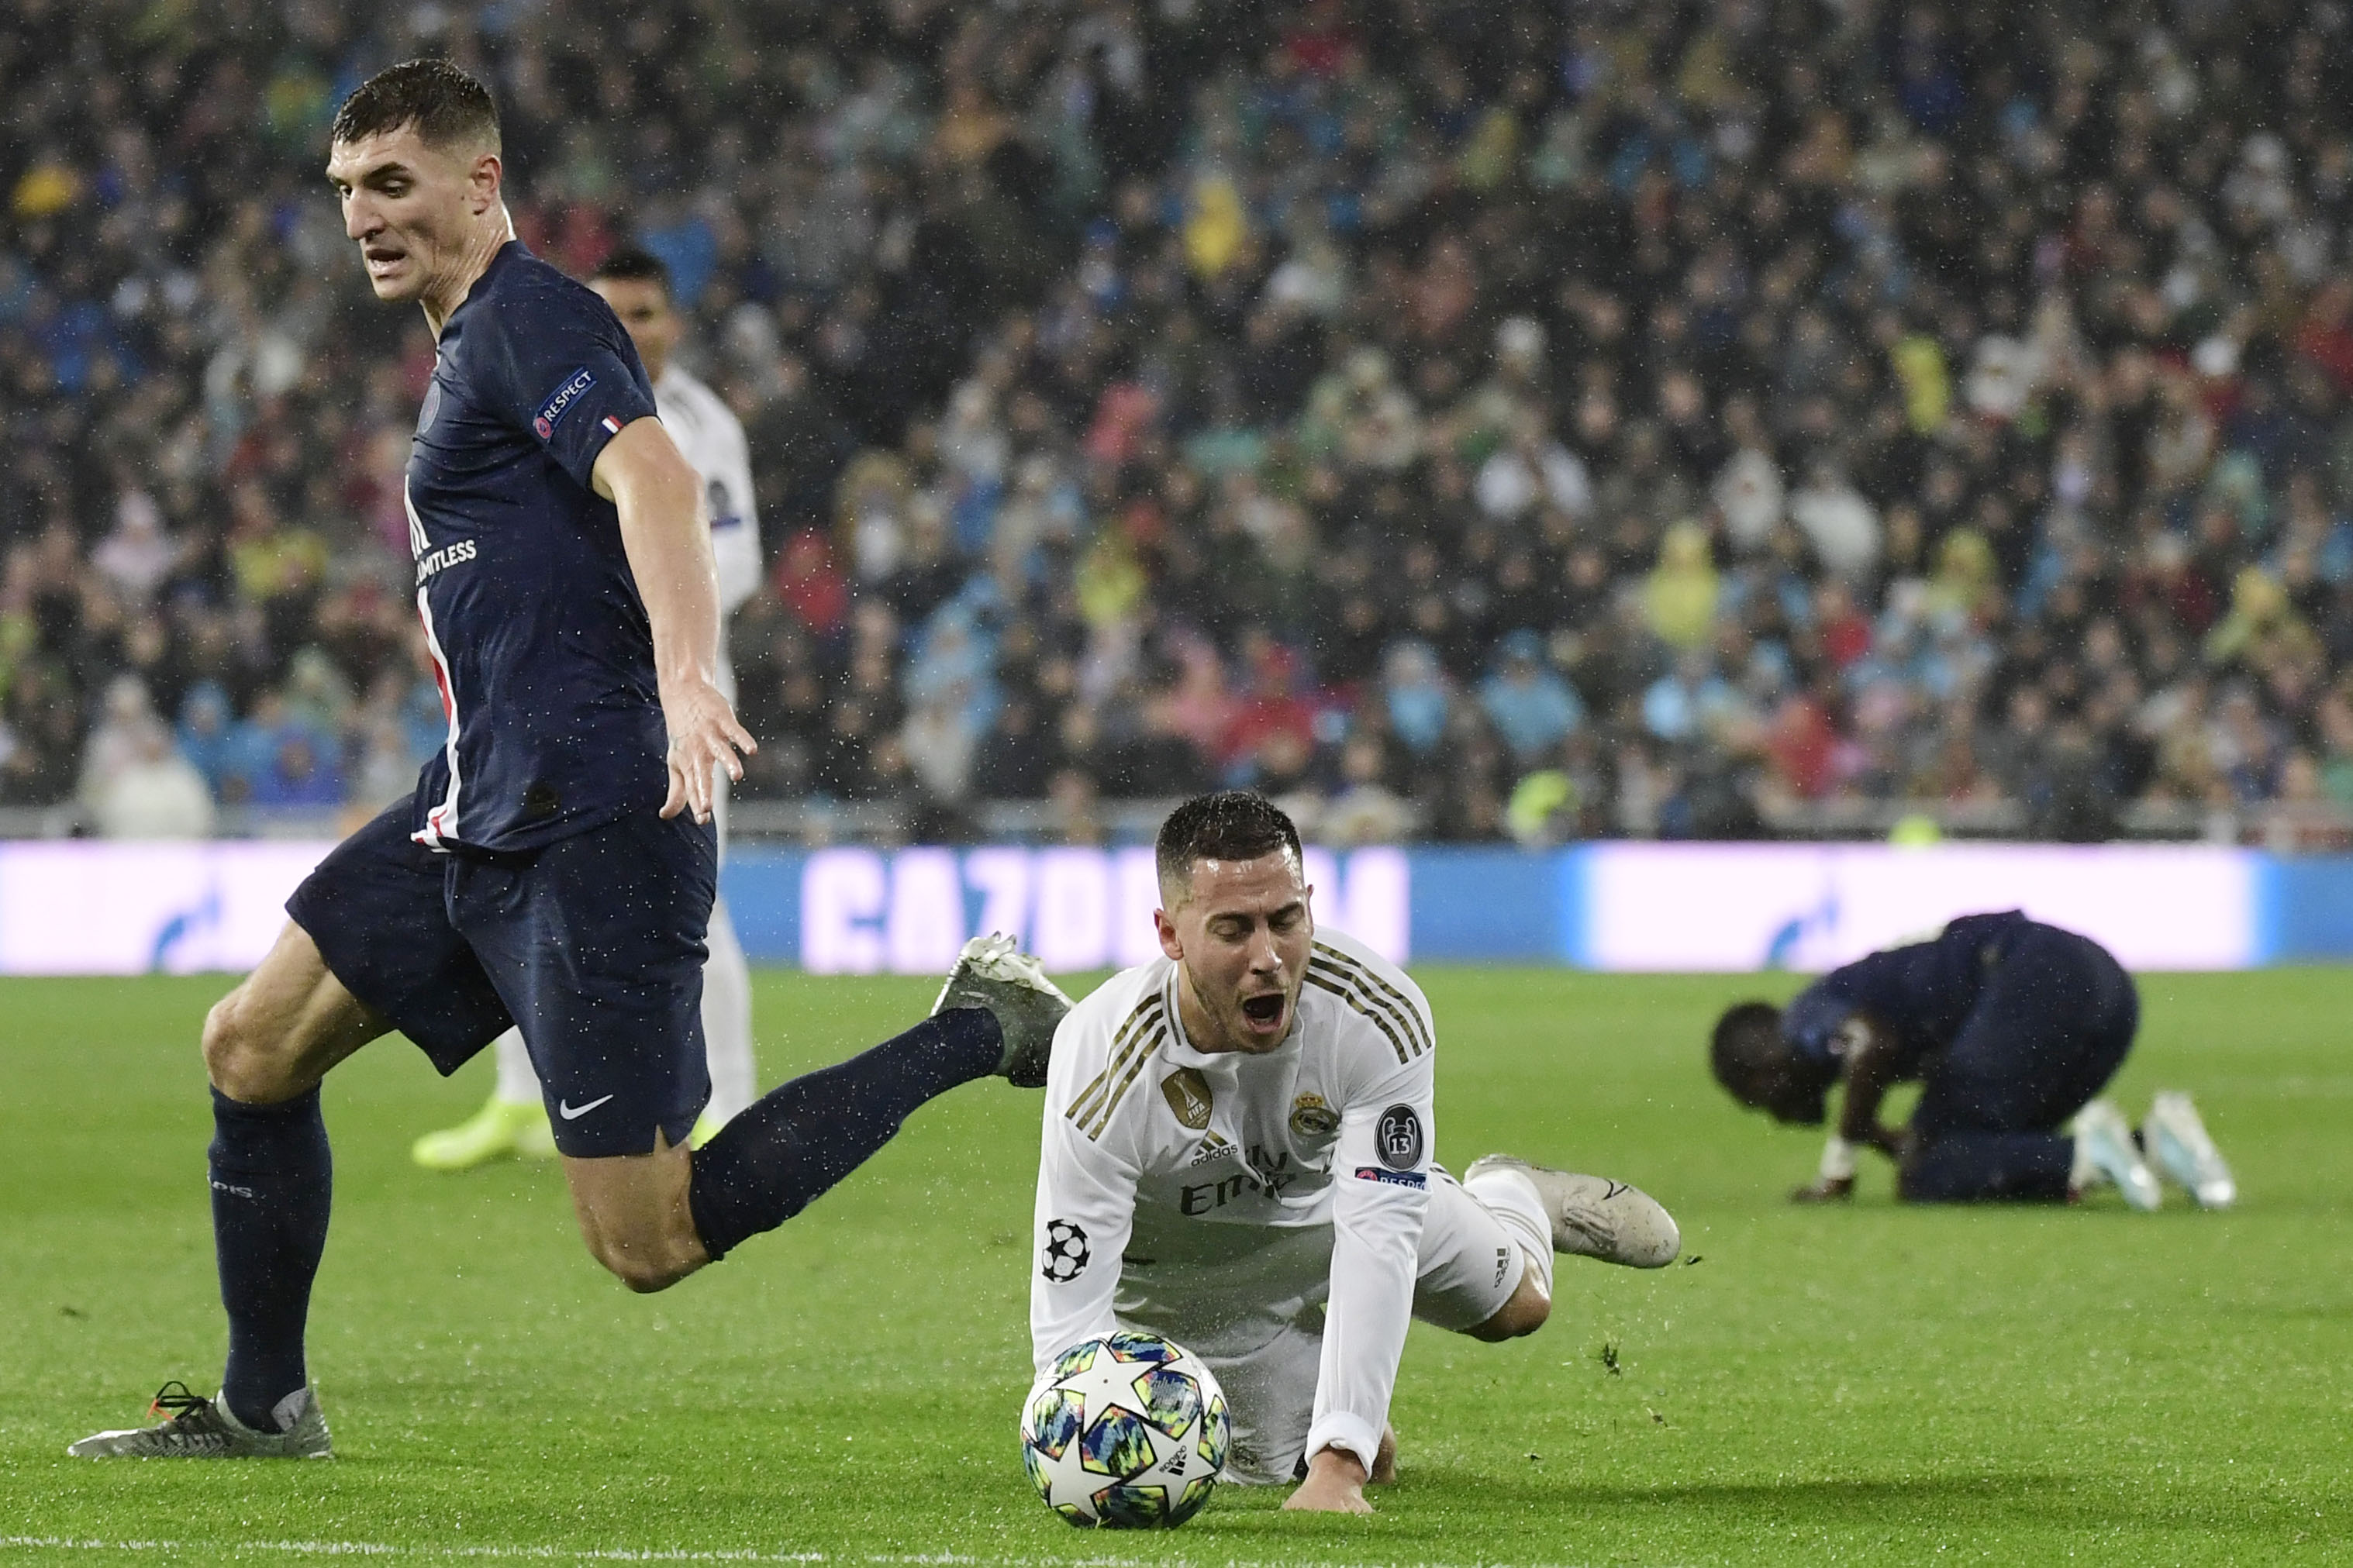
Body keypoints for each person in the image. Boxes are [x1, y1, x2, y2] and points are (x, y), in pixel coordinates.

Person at [70, 60, 1073, 1462]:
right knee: (250, 1044)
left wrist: (687, 676)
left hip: (596, 815)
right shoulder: (467, 345)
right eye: (348, 190)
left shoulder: (528, 317)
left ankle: (978, 1026)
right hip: (476, 798)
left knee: (647, 1238)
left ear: (482, 183)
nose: (363, 216)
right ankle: (264, 1405)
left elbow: (656, 477)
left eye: (394, 184)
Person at [1027, 791, 1679, 1514]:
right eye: (1233, 929)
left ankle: (1510, 1191)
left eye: (1285, 920)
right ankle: (1315, 1400)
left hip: (1338, 1205)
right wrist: (1074, 1444)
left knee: (1520, 1308)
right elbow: (1069, 1307)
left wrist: (1339, 1463)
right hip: (1200, 1288)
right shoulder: (1102, 1059)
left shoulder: (1374, 1012)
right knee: (1284, 1463)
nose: (1268, 958)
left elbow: (1379, 1236)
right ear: (1169, 934)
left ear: (1310, 904)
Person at [411, 245, 764, 1170]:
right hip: (551, 687)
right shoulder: (545, 386)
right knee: (509, 884)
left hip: (669, 691)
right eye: (616, 314)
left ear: (673, 322)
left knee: (692, 904)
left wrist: (635, 591)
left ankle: (731, 1104)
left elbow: (735, 558)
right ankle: (517, 1099)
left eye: (646, 314)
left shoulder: (700, 423)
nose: (632, 331)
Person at [1710, 910, 2237, 1210]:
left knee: (1930, 1172)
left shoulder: (1804, 1018)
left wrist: (1840, 1164)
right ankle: (2156, 1146)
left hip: (2030, 977)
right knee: (1973, 1151)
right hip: (2106, 988)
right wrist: (1879, 1135)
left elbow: (1873, 1042)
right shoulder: (1837, 1009)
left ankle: (2094, 1153)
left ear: (1761, 1063)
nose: (1775, 1116)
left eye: (1756, 1099)